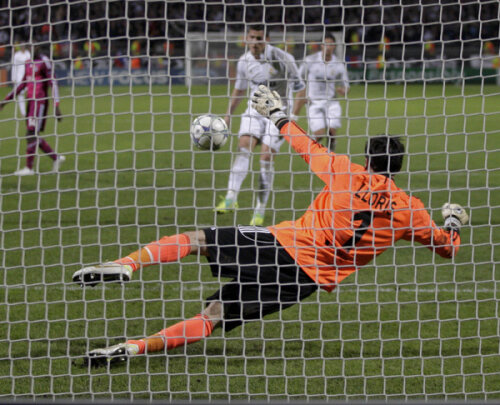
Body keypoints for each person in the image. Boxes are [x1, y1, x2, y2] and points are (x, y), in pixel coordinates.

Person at [72, 85, 469, 367]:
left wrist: (276, 113)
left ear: (367, 159)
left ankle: (127, 264)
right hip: (307, 281)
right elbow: (447, 247)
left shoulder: (345, 171)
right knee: (215, 315)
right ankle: (136, 348)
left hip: (283, 244)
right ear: (399, 167)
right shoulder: (410, 210)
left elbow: (305, 146)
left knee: (198, 239)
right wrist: (453, 221)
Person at [215, 24, 305, 226]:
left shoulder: (283, 58)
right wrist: (228, 115)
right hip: (255, 109)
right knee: (243, 146)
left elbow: (301, 89)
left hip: (279, 112)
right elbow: (239, 89)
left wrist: (293, 117)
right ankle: (230, 197)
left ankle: (259, 210)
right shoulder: (244, 61)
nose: (255, 42)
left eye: (259, 38)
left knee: (265, 156)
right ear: (246, 38)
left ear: (267, 39)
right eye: (252, 37)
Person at [0, 44, 65, 176]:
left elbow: (53, 82)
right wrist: (5, 101)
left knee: (31, 134)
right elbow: (22, 84)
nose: (32, 48)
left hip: (39, 103)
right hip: (30, 102)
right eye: (30, 46)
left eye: (35, 46)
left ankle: (29, 168)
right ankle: (56, 158)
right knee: (33, 135)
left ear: (38, 48)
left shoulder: (44, 61)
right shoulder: (28, 63)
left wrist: (56, 105)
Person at [292, 32, 349, 151]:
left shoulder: (338, 64)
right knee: (319, 134)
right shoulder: (310, 60)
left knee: (332, 131)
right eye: (325, 44)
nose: (328, 47)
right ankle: (311, 151)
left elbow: (346, 85)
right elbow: (299, 78)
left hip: (332, 102)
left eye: (330, 44)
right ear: (321, 45)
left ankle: (330, 153)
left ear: (334, 46)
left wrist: (343, 90)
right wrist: (302, 94)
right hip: (314, 102)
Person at [11, 40, 31, 118]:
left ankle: (31, 110)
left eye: (24, 46)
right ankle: (23, 112)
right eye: (21, 46)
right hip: (19, 77)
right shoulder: (16, 55)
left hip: (28, 76)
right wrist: (13, 77)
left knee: (30, 93)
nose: (23, 47)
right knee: (20, 94)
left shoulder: (28, 54)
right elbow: (14, 66)